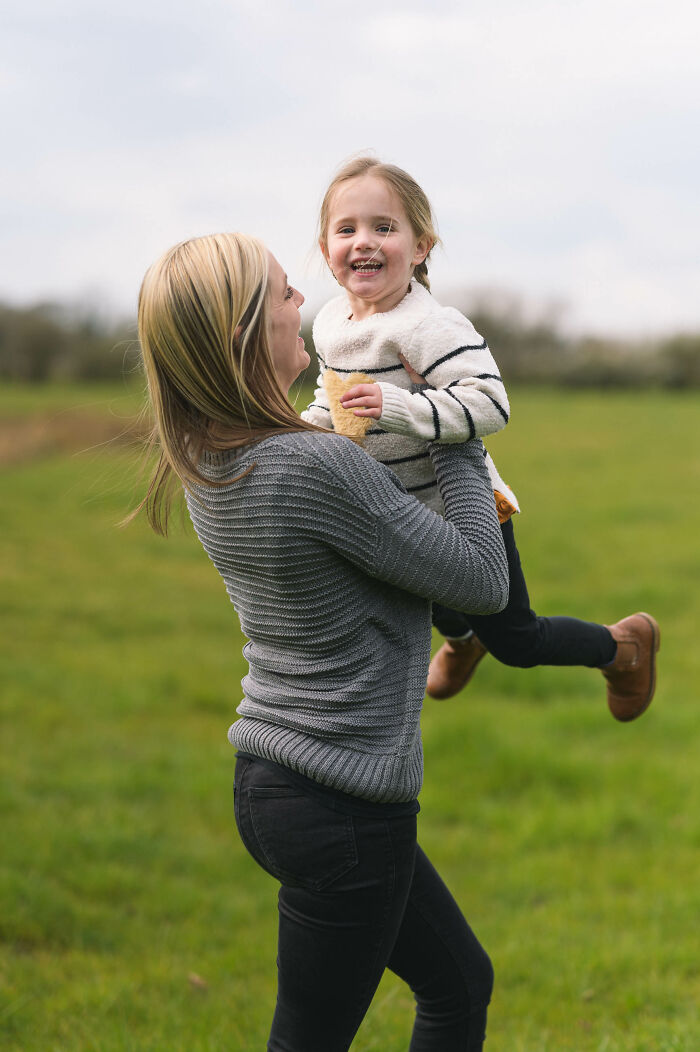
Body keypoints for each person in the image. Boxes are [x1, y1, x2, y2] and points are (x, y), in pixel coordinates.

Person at [135, 230, 511, 1051]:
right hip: (345, 803)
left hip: (277, 783)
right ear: (243, 333)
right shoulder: (310, 467)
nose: (305, 302)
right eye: (281, 293)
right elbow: (484, 582)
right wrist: (452, 424)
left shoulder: (208, 456)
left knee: (457, 984)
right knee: (312, 1038)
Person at [303, 156, 660, 720]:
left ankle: (624, 647)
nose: (363, 242)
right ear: (326, 251)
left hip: (464, 511)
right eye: (346, 230)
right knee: (416, 591)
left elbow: (491, 403)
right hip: (401, 509)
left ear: (420, 247)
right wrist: (306, 429)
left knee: (517, 641)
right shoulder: (330, 323)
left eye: (384, 227)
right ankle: (463, 640)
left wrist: (397, 405)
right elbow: (333, 401)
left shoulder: (430, 327)